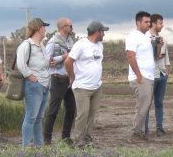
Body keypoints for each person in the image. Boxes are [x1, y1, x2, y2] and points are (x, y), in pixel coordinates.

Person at [65, 21, 108, 147]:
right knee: (83, 114)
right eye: (103, 32)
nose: (104, 34)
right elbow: (68, 61)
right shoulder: (81, 44)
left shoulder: (100, 45)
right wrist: (72, 77)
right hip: (82, 86)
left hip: (97, 86)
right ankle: (78, 141)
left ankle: (88, 140)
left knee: (91, 115)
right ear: (97, 32)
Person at [17, 17, 52, 147]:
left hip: (45, 84)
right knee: (31, 117)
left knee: (38, 118)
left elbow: (45, 61)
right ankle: (24, 148)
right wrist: (30, 75)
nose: (45, 29)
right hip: (34, 85)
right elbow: (21, 64)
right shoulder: (26, 45)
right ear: (38, 28)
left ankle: (39, 147)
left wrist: (50, 62)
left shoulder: (41, 45)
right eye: (44, 27)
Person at [43, 17, 76, 145]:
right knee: (53, 110)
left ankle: (65, 137)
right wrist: (65, 56)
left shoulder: (70, 41)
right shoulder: (53, 42)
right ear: (63, 27)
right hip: (58, 79)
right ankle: (47, 138)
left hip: (69, 79)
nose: (72, 28)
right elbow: (48, 60)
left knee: (71, 109)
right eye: (70, 26)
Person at [126, 11, 155, 143]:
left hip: (148, 77)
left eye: (150, 22)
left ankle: (140, 132)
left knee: (145, 106)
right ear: (138, 22)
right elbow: (130, 55)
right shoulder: (133, 36)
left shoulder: (145, 37)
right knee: (142, 106)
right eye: (146, 22)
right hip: (141, 78)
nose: (149, 24)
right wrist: (139, 75)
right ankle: (135, 133)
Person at [144, 13, 170, 137]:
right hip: (150, 75)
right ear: (153, 23)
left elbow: (167, 58)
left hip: (161, 73)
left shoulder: (163, 39)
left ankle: (159, 128)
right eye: (160, 23)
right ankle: (145, 129)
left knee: (159, 103)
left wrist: (167, 73)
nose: (162, 25)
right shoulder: (145, 39)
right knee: (147, 103)